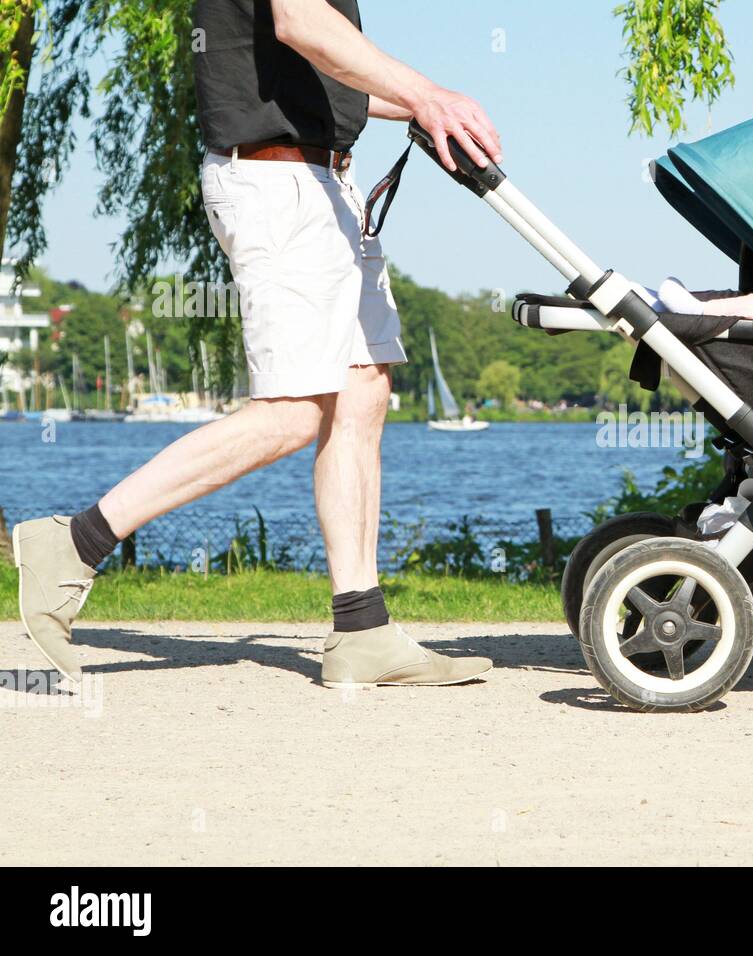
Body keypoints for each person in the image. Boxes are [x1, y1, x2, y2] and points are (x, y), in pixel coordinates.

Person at [12, 0, 502, 689]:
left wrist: (417, 107)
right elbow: (303, 23)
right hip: (279, 186)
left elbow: (322, 66)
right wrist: (427, 94)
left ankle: (362, 630)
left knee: (363, 387)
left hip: (325, 181)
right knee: (297, 409)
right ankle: (73, 541)